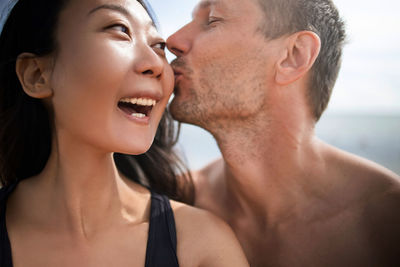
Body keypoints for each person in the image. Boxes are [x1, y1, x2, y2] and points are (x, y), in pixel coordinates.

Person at [0, 0, 250, 266]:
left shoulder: (201, 246)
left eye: (159, 47)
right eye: (120, 30)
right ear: (36, 75)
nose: (156, 63)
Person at [166, 0, 400, 266]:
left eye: (213, 20)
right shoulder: (174, 201)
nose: (173, 40)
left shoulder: (388, 221)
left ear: (294, 55)